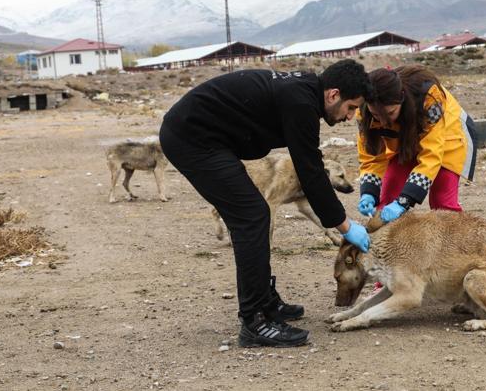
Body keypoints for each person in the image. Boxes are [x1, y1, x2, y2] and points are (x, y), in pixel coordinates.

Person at [159, 59, 373, 348]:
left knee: (254, 213)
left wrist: (338, 221)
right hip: (192, 139)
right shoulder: (301, 103)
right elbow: (311, 171)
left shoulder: (305, 94)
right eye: (350, 108)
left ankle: (266, 303)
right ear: (333, 94)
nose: (350, 117)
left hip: (209, 138)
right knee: (251, 215)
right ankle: (255, 321)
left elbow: (310, 165)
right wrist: (345, 225)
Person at [356, 65, 477, 223]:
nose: (384, 122)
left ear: (402, 98)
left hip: (448, 138)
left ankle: (462, 245)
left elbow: (431, 156)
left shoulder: (430, 99)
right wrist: (368, 193)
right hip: (405, 143)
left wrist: (404, 201)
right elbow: (371, 157)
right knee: (386, 201)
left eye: (390, 113)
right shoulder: (364, 112)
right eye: (376, 115)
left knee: (443, 206)